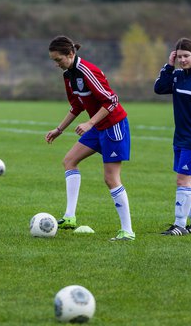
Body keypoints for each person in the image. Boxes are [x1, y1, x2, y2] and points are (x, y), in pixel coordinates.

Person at [45, 35, 135, 241]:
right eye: (54, 61)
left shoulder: (87, 71)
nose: (56, 64)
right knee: (69, 161)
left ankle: (127, 231)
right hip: (98, 126)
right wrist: (59, 129)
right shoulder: (68, 75)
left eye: (58, 60)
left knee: (111, 178)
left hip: (113, 126)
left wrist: (89, 123)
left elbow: (112, 101)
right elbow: (77, 106)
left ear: (70, 54)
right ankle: (69, 217)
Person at [154, 37, 191, 236]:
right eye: (179, 57)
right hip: (180, 136)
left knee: (182, 180)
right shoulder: (176, 75)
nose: (182, 60)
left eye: (186, 56)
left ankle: (179, 225)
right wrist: (169, 65)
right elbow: (159, 88)